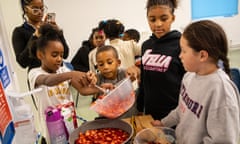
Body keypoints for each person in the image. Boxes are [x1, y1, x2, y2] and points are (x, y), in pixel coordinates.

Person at [151, 20, 240, 144]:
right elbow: (181, 110)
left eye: (184, 51)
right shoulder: (189, 76)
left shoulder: (221, 92)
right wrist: (162, 123)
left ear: (202, 55)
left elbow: (223, 141)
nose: (180, 55)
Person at [28, 23, 99, 143]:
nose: (60, 59)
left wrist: (100, 88)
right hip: (52, 133)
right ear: (40, 55)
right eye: (54, 55)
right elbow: (47, 81)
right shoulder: (34, 73)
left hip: (70, 125)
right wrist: (71, 74)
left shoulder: (63, 70)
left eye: (61, 55)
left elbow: (83, 90)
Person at [135, 0, 186, 120]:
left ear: (172, 18)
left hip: (176, 113)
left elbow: (189, 83)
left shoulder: (181, 44)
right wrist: (139, 106)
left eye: (164, 19)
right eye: (152, 19)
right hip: (150, 112)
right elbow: (144, 80)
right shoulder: (146, 46)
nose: (158, 24)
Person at [12, 0, 69, 71]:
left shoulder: (49, 27)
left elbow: (65, 54)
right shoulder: (20, 31)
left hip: (58, 71)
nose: (40, 12)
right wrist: (35, 36)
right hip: (38, 75)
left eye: (42, 9)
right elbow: (22, 62)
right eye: (35, 10)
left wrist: (59, 33)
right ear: (26, 9)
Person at [93, 45, 138, 119]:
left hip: (128, 117)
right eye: (101, 64)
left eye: (109, 62)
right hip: (108, 120)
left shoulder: (124, 74)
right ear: (97, 66)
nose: (105, 67)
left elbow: (135, 73)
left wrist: (135, 72)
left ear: (118, 62)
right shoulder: (97, 79)